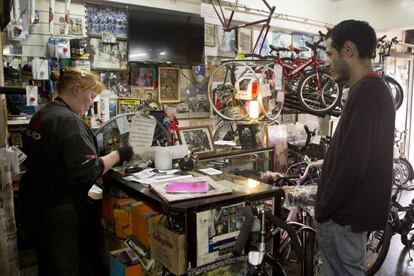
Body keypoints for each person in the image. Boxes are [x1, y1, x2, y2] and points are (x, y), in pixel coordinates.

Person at [20, 68, 134, 276]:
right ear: (75, 90)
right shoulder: (68, 121)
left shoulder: (44, 113)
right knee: (65, 266)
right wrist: (119, 154)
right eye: (91, 96)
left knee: (48, 262)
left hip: (36, 202)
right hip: (58, 210)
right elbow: (88, 170)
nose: (91, 103)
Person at [314, 20, 395, 276]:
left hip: (342, 218)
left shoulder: (367, 93)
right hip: (345, 215)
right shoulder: (370, 89)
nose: (328, 62)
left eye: (329, 53)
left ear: (347, 49)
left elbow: (353, 162)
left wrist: (324, 208)